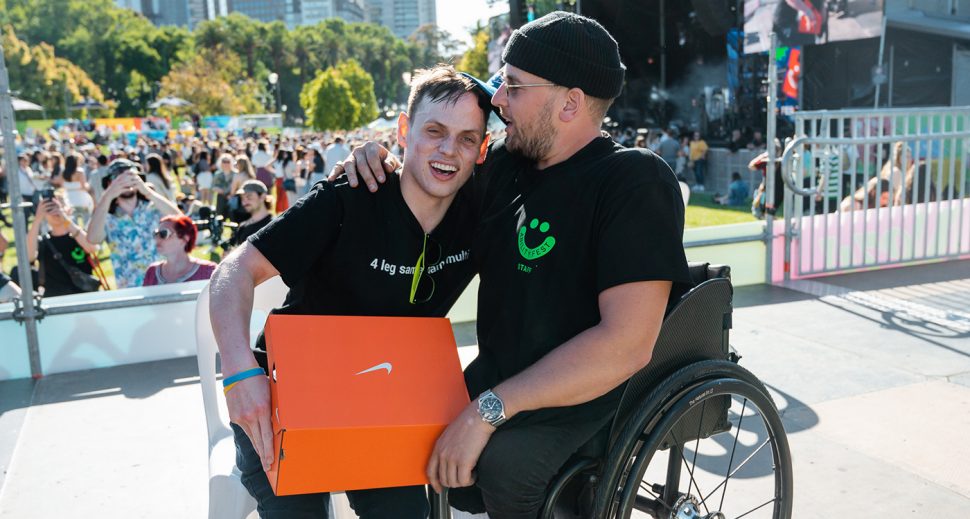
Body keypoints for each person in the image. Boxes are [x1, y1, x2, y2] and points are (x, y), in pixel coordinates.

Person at [335, 12, 691, 518]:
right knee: (392, 427)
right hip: (503, 375)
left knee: (505, 468)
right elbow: (427, 199)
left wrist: (487, 411)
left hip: (592, 397)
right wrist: (380, 161)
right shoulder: (504, 166)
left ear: (570, 103)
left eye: (513, 86)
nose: (497, 101)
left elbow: (626, 345)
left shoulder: (634, 181)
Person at [208, 65, 493, 518]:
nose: (447, 150)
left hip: (381, 409)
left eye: (465, 138)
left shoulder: (483, 209)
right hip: (284, 399)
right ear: (403, 130)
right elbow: (233, 271)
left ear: (483, 149)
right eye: (434, 131)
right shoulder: (352, 193)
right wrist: (240, 374)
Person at [86, 159, 182, 288]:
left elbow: (181, 220)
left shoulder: (154, 207)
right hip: (129, 289)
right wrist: (108, 195)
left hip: (163, 283)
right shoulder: (106, 216)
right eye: (120, 179)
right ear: (109, 183)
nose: (127, 183)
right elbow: (92, 239)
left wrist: (147, 191)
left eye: (131, 177)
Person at [24, 191, 100, 297]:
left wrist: (65, 218)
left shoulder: (78, 234)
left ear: (69, 209)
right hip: (54, 298)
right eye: (49, 208)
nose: (54, 211)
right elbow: (28, 257)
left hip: (83, 295)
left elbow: (92, 248)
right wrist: (37, 219)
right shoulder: (43, 241)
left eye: (58, 206)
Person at [142, 214, 216, 285]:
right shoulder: (152, 272)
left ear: (185, 239)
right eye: (155, 234)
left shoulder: (209, 271)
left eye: (163, 233)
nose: (157, 238)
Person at [225, 180, 273, 249]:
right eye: (242, 198)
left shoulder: (272, 226)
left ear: (262, 196)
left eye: (249, 196)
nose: (244, 202)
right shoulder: (243, 226)